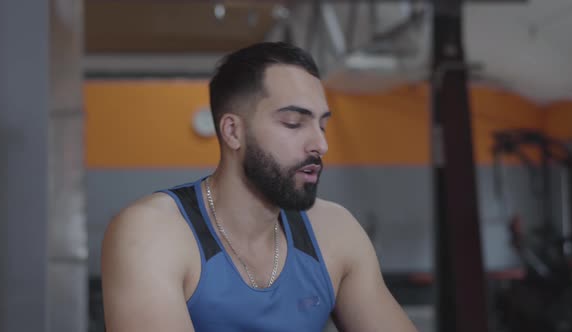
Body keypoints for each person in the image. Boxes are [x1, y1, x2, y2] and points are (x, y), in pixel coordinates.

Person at [101, 42, 418, 332]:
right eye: (294, 123)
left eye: (322, 125)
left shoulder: (334, 232)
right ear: (232, 132)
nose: (320, 144)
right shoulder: (152, 233)